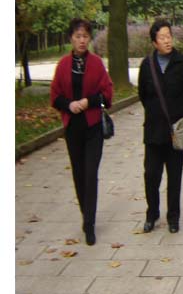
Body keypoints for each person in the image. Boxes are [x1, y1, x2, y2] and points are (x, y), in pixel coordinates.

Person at [50, 18, 113, 246]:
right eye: (78, 36)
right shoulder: (63, 65)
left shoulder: (96, 63)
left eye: (85, 36)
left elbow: (107, 94)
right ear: (71, 38)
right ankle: (85, 213)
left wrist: (88, 101)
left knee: (90, 172)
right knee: (78, 174)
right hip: (73, 127)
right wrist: (69, 105)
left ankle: (90, 223)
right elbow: (55, 96)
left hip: (93, 126)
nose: (82, 40)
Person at [138, 19, 183, 234]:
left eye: (169, 36)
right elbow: (143, 95)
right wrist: (156, 113)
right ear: (154, 42)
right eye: (162, 37)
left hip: (175, 131)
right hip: (153, 132)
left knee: (175, 176)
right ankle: (152, 213)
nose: (167, 40)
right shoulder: (147, 65)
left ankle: (173, 217)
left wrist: (179, 115)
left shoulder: (182, 62)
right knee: (151, 175)